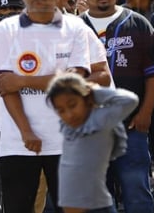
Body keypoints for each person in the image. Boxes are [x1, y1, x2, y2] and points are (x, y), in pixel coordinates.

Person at [0, 0, 99, 213]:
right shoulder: (7, 29)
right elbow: (5, 86)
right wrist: (26, 131)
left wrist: (23, 80)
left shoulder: (75, 28)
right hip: (18, 141)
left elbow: (75, 82)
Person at [101, 0, 154, 213]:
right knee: (98, 194)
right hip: (92, 127)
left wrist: (145, 113)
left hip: (132, 125)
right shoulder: (77, 26)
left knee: (136, 189)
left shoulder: (137, 23)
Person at [46, 74, 139, 213]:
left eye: (73, 105)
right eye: (61, 110)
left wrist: (94, 91)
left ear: (87, 98)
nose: (69, 114)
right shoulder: (68, 127)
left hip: (96, 208)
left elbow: (130, 100)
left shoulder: (100, 120)